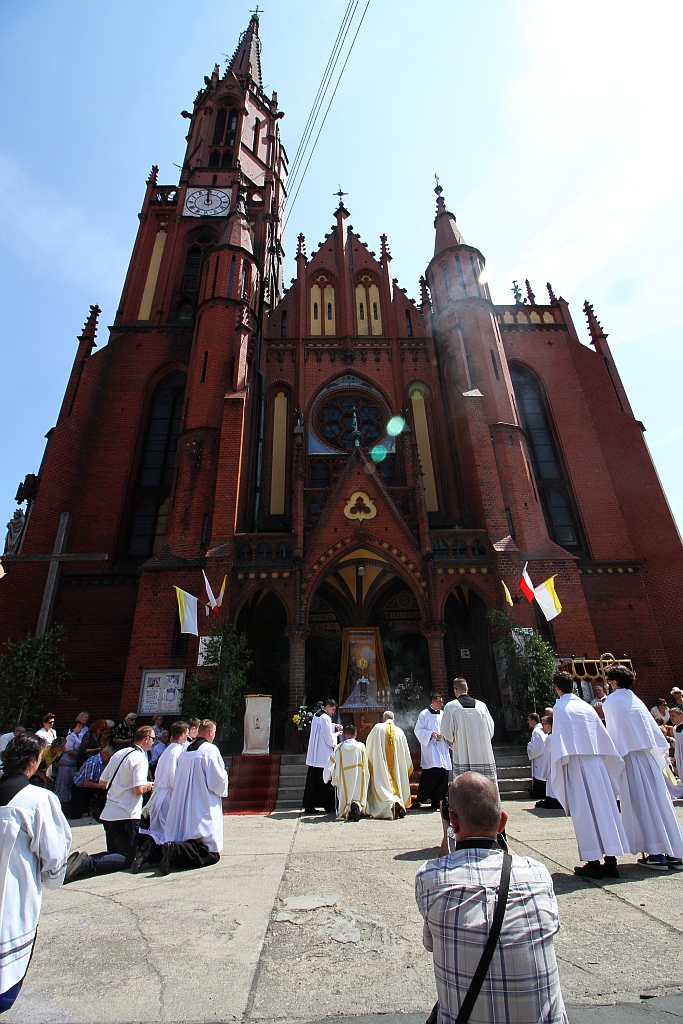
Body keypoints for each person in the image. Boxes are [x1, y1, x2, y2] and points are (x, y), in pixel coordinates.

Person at [415, 773, 567, 1024]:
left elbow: (431, 943)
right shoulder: (538, 874)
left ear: (452, 821)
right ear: (502, 821)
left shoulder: (430, 878)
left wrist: (447, 833)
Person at [0, 733, 71, 1012]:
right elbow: (53, 852)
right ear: (32, 762)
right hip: (13, 895)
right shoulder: (37, 799)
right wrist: (53, 877)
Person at [602, 665, 683, 870]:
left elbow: (614, 734)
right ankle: (673, 851)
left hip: (630, 758)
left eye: (610, 681)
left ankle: (656, 853)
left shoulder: (611, 702)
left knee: (642, 805)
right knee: (660, 803)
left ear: (615, 682)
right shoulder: (635, 700)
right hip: (649, 757)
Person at [548, 671, 628, 878]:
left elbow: (561, 743)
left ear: (557, 687)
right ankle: (611, 861)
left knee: (585, 812)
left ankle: (593, 862)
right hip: (597, 764)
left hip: (577, 765)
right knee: (604, 810)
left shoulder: (561, 707)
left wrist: (558, 766)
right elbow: (601, 735)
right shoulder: (585, 706)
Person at [64, 726, 154, 882]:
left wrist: (121, 786)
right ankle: (87, 862)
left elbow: (102, 781)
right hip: (126, 814)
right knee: (126, 857)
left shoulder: (119, 753)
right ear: (146, 738)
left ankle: (81, 861)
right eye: (153, 739)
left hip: (109, 811)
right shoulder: (140, 758)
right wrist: (151, 785)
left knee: (114, 854)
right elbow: (138, 789)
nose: (153, 743)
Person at [161, 719, 228, 873]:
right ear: (211, 732)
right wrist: (225, 779)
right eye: (214, 732)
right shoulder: (210, 750)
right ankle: (174, 850)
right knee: (209, 853)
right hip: (202, 803)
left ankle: (157, 850)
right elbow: (217, 781)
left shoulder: (185, 751)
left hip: (184, 802)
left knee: (188, 836)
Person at [133, 721, 189, 871]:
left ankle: (145, 855)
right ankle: (163, 859)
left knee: (158, 831)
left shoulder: (167, 751)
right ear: (183, 735)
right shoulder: (178, 752)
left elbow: (158, 774)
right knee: (169, 832)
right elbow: (173, 778)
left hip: (159, 794)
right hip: (169, 796)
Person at [440, 678, 497, 783]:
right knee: (485, 784)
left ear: (455, 690)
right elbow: (490, 730)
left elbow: (446, 732)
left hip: (462, 752)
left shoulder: (451, 707)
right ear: (467, 689)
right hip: (482, 752)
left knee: (465, 785)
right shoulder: (482, 706)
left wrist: (453, 744)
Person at [365, 711, 413, 819]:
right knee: (396, 783)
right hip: (397, 771)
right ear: (393, 719)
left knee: (382, 785)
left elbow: (369, 746)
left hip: (380, 768)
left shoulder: (377, 728)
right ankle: (397, 802)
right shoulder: (400, 732)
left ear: (384, 717)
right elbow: (406, 755)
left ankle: (389, 805)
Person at [303, 698, 342, 814]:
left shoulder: (317, 715)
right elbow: (328, 739)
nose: (333, 712)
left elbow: (322, 728)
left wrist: (334, 725)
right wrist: (337, 734)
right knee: (325, 782)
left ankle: (309, 805)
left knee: (313, 783)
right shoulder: (325, 718)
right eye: (333, 710)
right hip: (322, 755)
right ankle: (328, 806)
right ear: (328, 707)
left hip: (315, 755)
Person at [413, 693, 451, 810]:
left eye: (442, 702)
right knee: (432, 773)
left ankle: (438, 800)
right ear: (433, 702)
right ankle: (421, 798)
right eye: (439, 702)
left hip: (442, 746)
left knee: (443, 772)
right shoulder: (424, 714)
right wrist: (430, 734)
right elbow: (418, 730)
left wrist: (445, 735)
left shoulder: (443, 714)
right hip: (431, 747)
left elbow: (448, 728)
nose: (441, 704)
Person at [324, 724, 369, 821]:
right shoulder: (361, 747)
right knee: (358, 795)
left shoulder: (339, 748)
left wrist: (327, 777)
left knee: (344, 797)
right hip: (358, 778)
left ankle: (347, 810)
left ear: (345, 735)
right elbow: (366, 764)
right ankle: (357, 807)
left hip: (344, 780)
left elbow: (330, 763)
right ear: (355, 735)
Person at [68, 746, 114, 819]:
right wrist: (103, 786)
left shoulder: (106, 763)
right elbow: (87, 783)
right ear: (104, 754)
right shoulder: (93, 762)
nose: (110, 760)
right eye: (109, 757)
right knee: (76, 814)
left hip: (93, 785)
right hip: (81, 787)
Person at [534, 715, 563, 809]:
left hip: (553, 766)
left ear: (549, 725)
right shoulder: (561, 735)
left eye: (544, 724)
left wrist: (544, 773)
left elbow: (547, 757)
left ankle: (553, 801)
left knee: (552, 786)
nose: (542, 727)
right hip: (562, 765)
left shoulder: (550, 738)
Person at [55, 722, 84, 804]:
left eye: (81, 727)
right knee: (63, 783)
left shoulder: (79, 737)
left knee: (69, 783)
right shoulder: (70, 737)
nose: (80, 729)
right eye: (78, 726)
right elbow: (69, 750)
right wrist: (79, 756)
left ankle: (68, 801)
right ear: (73, 728)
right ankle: (61, 801)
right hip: (66, 763)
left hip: (73, 764)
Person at [526, 713, 546, 799]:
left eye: (529, 720)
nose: (528, 722)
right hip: (542, 758)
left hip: (540, 758)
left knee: (540, 777)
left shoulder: (536, 731)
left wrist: (529, 746)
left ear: (533, 721)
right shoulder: (540, 730)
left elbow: (537, 748)